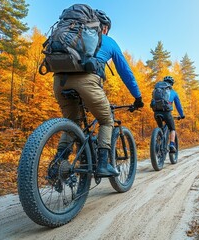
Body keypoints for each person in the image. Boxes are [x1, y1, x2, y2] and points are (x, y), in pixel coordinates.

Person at [52, 9, 144, 178]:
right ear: (105, 28)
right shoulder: (108, 41)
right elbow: (126, 72)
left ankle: (58, 164)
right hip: (87, 82)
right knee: (106, 119)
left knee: (72, 123)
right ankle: (103, 164)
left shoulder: (70, 37)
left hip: (59, 81)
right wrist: (137, 97)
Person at [153, 76, 185, 153]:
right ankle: (171, 145)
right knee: (172, 129)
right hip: (167, 113)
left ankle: (158, 142)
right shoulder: (173, 92)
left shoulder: (157, 90)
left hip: (156, 112)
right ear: (171, 84)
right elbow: (178, 105)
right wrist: (182, 115)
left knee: (160, 128)